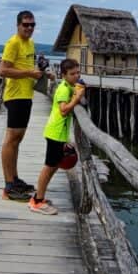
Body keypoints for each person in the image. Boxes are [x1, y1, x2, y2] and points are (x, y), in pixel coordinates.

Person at [0, 10, 45, 201]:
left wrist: (39, 73)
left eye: (32, 25)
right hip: (15, 96)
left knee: (18, 139)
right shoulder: (13, 43)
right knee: (11, 139)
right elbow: (3, 70)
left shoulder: (30, 44)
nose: (29, 28)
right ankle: (9, 185)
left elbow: (25, 68)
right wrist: (28, 73)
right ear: (18, 25)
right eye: (26, 24)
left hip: (26, 94)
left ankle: (14, 178)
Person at [29, 59, 85, 215]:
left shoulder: (69, 86)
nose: (76, 76)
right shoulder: (63, 89)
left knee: (53, 167)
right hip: (55, 133)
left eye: (77, 73)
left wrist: (76, 92)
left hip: (60, 134)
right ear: (64, 75)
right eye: (72, 74)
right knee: (49, 167)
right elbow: (63, 110)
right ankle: (37, 202)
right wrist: (77, 97)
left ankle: (38, 197)